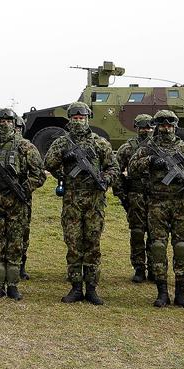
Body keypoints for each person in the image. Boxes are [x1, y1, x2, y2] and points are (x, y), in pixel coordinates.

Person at [44, 103, 118, 304]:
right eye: (75, 118)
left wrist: (105, 179)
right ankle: (76, 287)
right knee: (74, 244)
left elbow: (113, 167)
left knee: (93, 244)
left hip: (94, 201)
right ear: (70, 119)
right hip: (72, 200)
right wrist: (63, 163)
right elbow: (48, 164)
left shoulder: (99, 143)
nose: (78, 121)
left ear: (88, 119)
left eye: (82, 118)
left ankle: (92, 288)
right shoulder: (62, 142)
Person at [129, 109, 184, 308]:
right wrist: (151, 161)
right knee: (158, 247)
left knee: (181, 247)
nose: (166, 128)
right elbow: (132, 167)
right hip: (157, 203)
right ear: (157, 126)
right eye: (162, 125)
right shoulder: (148, 148)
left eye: (169, 125)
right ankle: (162, 293)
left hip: (181, 203)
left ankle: (181, 293)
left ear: (175, 126)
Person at [0, 108, 46, 300]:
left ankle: (12, 285)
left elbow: (39, 175)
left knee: (15, 245)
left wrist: (23, 187)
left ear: (14, 123)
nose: (5, 123)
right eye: (1, 120)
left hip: (17, 204)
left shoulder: (25, 146)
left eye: (8, 120)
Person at [116, 113, 155, 282]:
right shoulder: (127, 148)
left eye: (148, 127)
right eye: (142, 127)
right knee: (138, 233)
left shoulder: (159, 147)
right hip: (135, 195)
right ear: (136, 128)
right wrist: (122, 195)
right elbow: (115, 171)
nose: (146, 130)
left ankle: (155, 268)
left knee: (156, 235)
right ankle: (139, 268)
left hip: (156, 197)